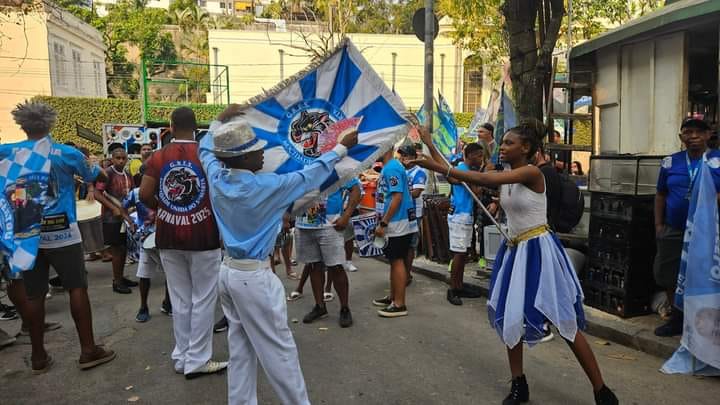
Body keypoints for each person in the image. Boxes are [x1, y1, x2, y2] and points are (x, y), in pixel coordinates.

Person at [414, 121, 618, 405]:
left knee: (564, 320)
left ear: (526, 148)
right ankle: (519, 384)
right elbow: (463, 177)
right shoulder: (506, 173)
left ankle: (601, 389)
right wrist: (430, 144)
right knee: (511, 316)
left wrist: (438, 167)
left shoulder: (532, 173)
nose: (502, 147)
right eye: (502, 142)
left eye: (509, 143)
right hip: (516, 251)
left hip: (539, 251)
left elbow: (482, 180)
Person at [198, 106, 358, 405]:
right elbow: (311, 174)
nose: (263, 154)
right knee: (280, 351)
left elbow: (205, 148)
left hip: (229, 273)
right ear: (243, 158)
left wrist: (218, 120)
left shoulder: (216, 176)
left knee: (241, 346)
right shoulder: (268, 187)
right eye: (256, 150)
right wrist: (340, 147)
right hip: (253, 279)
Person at [1, 101, 115, 373]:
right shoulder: (67, 153)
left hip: (28, 233)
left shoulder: (8, 152)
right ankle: (88, 349)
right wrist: (95, 166)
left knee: (34, 293)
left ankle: (39, 356)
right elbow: (95, 175)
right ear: (50, 123)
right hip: (63, 231)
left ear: (22, 125)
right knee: (77, 287)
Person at [140, 107, 226, 379]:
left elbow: (144, 194)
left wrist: (165, 209)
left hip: (168, 235)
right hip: (203, 235)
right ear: (196, 126)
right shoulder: (207, 155)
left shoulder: (158, 156)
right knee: (203, 299)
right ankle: (198, 359)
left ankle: (182, 356)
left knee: (180, 300)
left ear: (171, 126)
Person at [654, 117, 720, 337]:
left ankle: (704, 324)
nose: (694, 137)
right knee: (669, 274)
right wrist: (659, 224)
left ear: (709, 135)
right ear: (680, 137)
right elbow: (661, 194)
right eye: (688, 132)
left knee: (704, 276)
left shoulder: (717, 160)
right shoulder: (670, 162)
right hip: (674, 229)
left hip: (707, 232)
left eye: (700, 132)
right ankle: (677, 319)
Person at [297, 178, 361, 327]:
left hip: (330, 225)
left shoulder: (335, 165)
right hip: (304, 225)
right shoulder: (298, 163)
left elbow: (356, 190)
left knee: (336, 267)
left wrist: (346, 215)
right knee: (313, 266)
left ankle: (345, 308)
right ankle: (320, 307)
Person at [371, 147, 418, 318]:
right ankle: (393, 296)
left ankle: (399, 304)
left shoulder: (391, 168)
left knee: (397, 260)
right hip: (397, 221)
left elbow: (397, 197)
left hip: (397, 222)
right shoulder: (391, 167)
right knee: (394, 260)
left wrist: (384, 223)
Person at [124, 168, 172, 322]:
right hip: (146, 238)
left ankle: (168, 303)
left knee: (170, 274)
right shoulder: (136, 193)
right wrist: (130, 222)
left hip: (166, 237)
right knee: (144, 275)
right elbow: (122, 206)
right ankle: (143, 307)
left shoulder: (168, 190)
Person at [445, 143, 485, 306]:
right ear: (470, 155)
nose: (481, 159)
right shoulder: (461, 171)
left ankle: (459, 286)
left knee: (463, 254)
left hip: (465, 215)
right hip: (459, 216)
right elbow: (475, 191)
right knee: (459, 254)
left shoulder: (468, 171)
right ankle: (453, 289)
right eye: (479, 156)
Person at [94, 147, 137, 294]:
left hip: (125, 216)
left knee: (124, 249)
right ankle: (117, 282)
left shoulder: (127, 173)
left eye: (123, 158)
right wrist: (113, 208)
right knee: (117, 251)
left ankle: (121, 277)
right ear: (112, 159)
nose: (121, 160)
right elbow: (97, 194)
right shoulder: (106, 173)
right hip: (111, 218)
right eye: (118, 158)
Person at [397, 145, 427, 285]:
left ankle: (407, 275)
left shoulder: (419, 172)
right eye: (401, 155)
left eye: (406, 156)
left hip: (413, 213)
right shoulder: (401, 170)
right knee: (402, 244)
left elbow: (416, 193)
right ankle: (402, 273)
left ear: (414, 158)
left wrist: (398, 194)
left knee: (410, 245)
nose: (403, 158)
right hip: (401, 212)